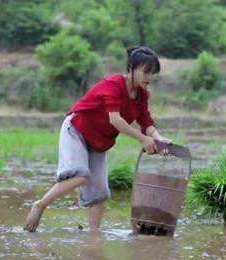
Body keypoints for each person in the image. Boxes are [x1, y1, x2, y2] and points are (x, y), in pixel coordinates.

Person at [24, 46, 171, 232]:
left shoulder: (142, 96)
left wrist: (158, 138)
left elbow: (146, 121)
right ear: (131, 68)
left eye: (153, 73)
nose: (149, 77)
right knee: (80, 176)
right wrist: (143, 139)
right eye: (146, 72)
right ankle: (40, 204)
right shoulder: (114, 84)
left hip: (99, 142)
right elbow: (115, 119)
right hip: (77, 130)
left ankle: (94, 234)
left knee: (100, 192)